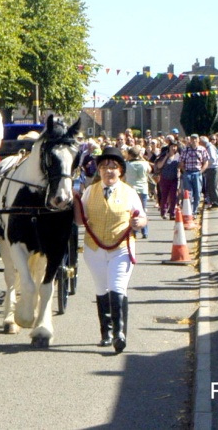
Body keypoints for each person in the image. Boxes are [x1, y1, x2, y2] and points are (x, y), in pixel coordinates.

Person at [78, 147, 147, 353]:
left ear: (120, 171)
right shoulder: (90, 191)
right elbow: (79, 218)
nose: (109, 171)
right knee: (102, 289)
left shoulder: (129, 192)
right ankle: (106, 332)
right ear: (98, 170)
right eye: (104, 167)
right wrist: (72, 202)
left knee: (118, 287)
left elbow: (143, 217)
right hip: (95, 247)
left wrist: (138, 222)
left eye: (113, 167)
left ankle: (119, 333)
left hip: (121, 247)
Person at [124, 146, 152, 238]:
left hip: (131, 189)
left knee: (132, 211)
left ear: (130, 155)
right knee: (142, 211)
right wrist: (142, 158)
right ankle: (145, 231)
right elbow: (150, 170)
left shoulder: (127, 164)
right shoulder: (144, 164)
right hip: (143, 189)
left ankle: (134, 231)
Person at [178, 134, 209, 218]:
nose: (194, 141)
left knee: (197, 193)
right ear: (190, 140)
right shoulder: (185, 150)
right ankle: (190, 211)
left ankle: (195, 211)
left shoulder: (202, 150)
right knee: (188, 193)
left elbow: (206, 162)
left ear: (198, 140)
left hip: (197, 173)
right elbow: (181, 161)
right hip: (188, 173)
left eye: (196, 139)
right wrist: (184, 171)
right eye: (192, 139)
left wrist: (201, 171)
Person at [155, 140, 181, 219]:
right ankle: (163, 211)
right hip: (164, 178)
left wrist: (180, 171)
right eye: (172, 146)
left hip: (174, 179)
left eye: (175, 146)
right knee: (164, 196)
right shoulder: (164, 155)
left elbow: (179, 166)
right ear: (169, 147)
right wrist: (166, 157)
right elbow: (159, 166)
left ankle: (172, 213)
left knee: (173, 196)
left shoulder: (178, 156)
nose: (174, 148)